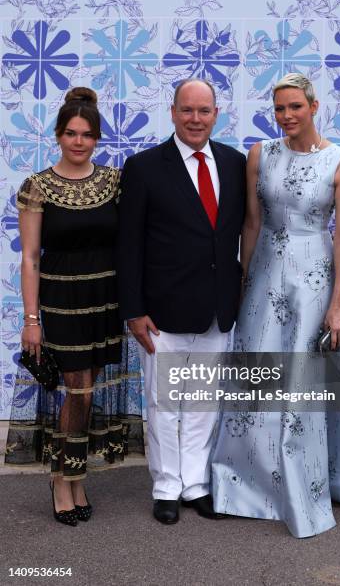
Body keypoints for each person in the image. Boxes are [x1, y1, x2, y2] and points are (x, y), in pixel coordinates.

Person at [211, 73, 340, 538]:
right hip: (264, 275)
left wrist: (337, 305)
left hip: (312, 279)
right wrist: (242, 282)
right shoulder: (260, 155)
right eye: (279, 109)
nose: (286, 116)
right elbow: (251, 226)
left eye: (295, 106)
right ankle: (245, 486)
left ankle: (307, 486)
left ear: (314, 107)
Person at [6, 87, 143, 526]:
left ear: (97, 138)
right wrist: (31, 321)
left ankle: (75, 475)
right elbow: (29, 258)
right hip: (61, 303)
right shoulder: (38, 187)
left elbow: (131, 242)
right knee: (77, 388)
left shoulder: (114, 183)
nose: (78, 141)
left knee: (87, 394)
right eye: (70, 133)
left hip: (104, 300)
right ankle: (61, 480)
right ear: (58, 135)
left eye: (86, 134)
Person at [117, 78, 246, 524]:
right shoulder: (144, 167)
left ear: (216, 114)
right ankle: (167, 486)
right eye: (187, 110)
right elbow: (128, 245)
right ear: (172, 112)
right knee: (166, 402)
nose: (195, 119)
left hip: (216, 309)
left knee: (204, 402)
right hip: (162, 311)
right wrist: (133, 309)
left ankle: (196, 484)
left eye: (204, 111)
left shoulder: (234, 163)